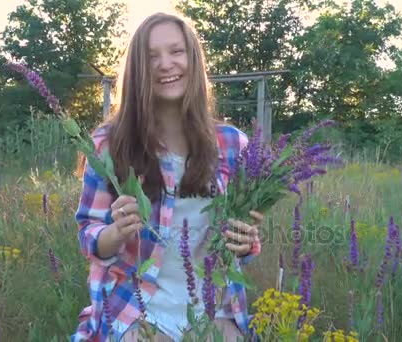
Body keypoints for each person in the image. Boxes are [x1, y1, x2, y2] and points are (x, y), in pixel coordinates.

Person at [72, 12, 263, 342]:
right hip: (136, 304)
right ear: (137, 71)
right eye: (151, 57)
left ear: (193, 59)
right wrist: (116, 232)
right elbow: (89, 235)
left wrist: (246, 243)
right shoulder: (108, 145)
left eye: (176, 52)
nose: (165, 64)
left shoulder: (234, 145)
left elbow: (244, 243)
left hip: (213, 306)